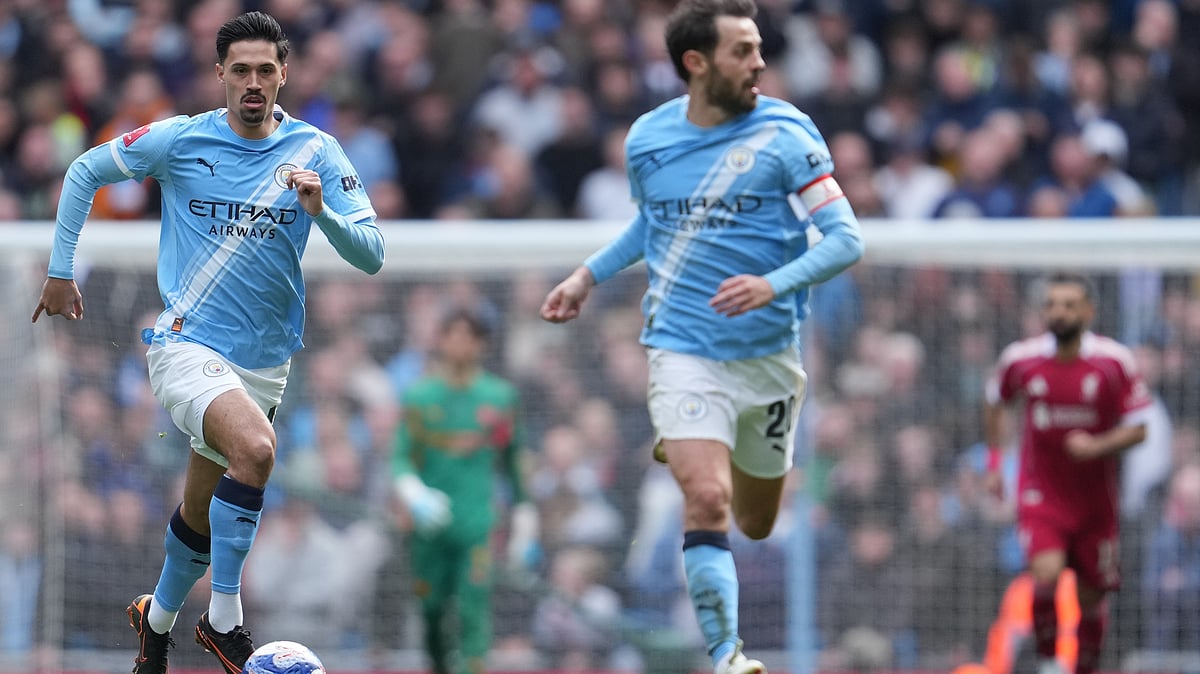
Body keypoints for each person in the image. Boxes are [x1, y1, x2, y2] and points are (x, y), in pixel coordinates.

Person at [30, 11, 384, 674]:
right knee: (257, 450)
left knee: (199, 514)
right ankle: (224, 620)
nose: (253, 81)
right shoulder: (180, 139)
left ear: (284, 75)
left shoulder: (317, 152)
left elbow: (372, 254)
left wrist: (322, 214)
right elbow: (82, 171)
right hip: (186, 345)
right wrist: (59, 270)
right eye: (240, 70)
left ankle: (156, 624)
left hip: (265, 364)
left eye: (265, 70)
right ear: (220, 73)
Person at [539, 1, 866, 672]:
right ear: (696, 62)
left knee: (756, 520)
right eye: (743, 51)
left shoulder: (787, 133)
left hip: (768, 357)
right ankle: (727, 654)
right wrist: (586, 275)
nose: (759, 63)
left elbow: (845, 239)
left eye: (758, 49)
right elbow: (653, 225)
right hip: (681, 346)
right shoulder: (648, 140)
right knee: (707, 497)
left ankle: (704, 441)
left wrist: (772, 284)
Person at [983, 273, 1152, 674]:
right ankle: (1048, 664)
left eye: (1069, 305)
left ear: (1089, 311)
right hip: (1041, 491)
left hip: (1095, 500)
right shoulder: (1021, 360)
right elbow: (995, 401)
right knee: (1045, 571)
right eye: (1052, 305)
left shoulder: (1113, 362)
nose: (1059, 313)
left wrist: (1098, 445)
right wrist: (995, 463)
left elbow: (1139, 428)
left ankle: (1085, 668)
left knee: (1091, 597)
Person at [390, 309, 539, 674]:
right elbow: (400, 458)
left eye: (468, 336)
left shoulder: (499, 398)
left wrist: (525, 521)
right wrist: (415, 495)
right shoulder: (420, 398)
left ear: (482, 344)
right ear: (440, 341)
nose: (460, 343)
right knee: (431, 610)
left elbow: (513, 462)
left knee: (473, 608)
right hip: (429, 528)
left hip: (477, 525)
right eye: (453, 335)